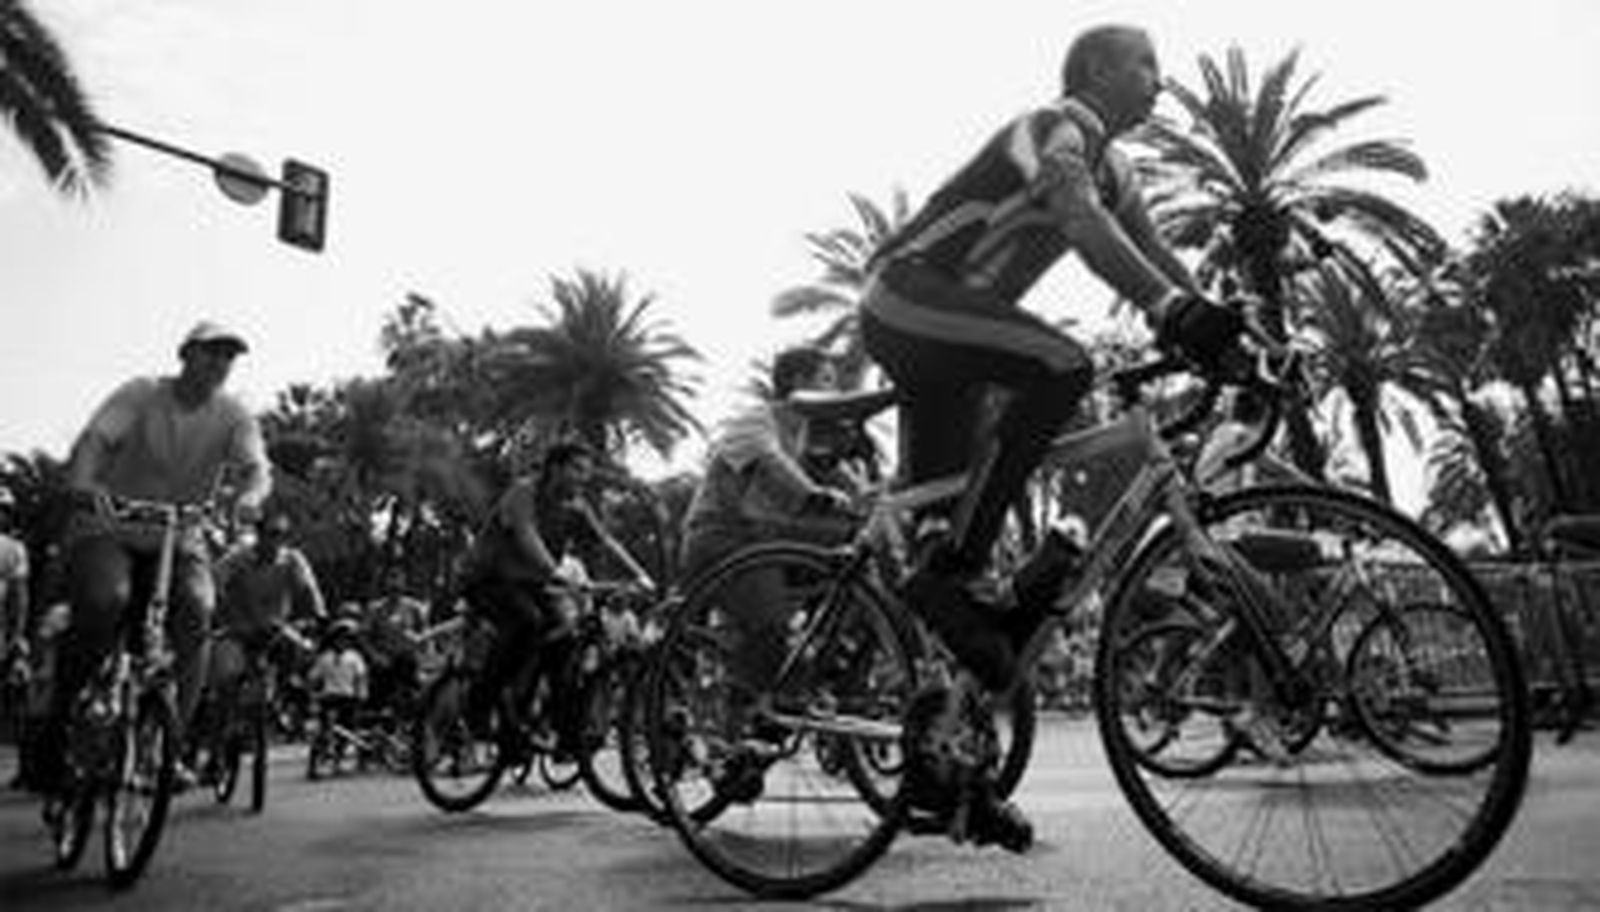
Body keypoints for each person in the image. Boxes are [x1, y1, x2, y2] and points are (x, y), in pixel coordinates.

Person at [858, 25, 1245, 846]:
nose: (1160, 81)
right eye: (1146, 63)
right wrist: (1171, 311)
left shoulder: (1118, 167)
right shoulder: (1051, 129)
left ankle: (955, 773)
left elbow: (1158, 253)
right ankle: (950, 569)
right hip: (905, 296)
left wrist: (1238, 338)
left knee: (957, 572)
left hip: (956, 349)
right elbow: (1075, 212)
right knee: (1064, 365)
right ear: (1094, 68)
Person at [38, 320, 272, 792]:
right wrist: (82, 484)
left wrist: (249, 499)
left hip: (178, 538)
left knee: (196, 611)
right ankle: (60, 716)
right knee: (106, 599)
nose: (220, 364)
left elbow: (256, 468)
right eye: (211, 352)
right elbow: (95, 441)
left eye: (229, 357)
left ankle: (167, 748)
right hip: (109, 526)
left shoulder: (233, 416)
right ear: (185, 354)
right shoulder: (142, 394)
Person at [462, 441, 654, 754]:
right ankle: (478, 707)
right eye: (578, 469)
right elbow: (526, 535)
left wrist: (640, 575)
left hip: (532, 585)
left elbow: (606, 541)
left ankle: (564, 733)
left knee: (564, 643)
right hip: (489, 579)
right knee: (527, 623)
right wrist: (556, 572)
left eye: (588, 472)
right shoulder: (524, 492)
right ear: (555, 468)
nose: (584, 478)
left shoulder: (576, 506)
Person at [678, 346, 858, 582]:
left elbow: (833, 470)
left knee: (850, 541)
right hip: (722, 537)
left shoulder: (802, 433)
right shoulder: (756, 421)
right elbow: (773, 461)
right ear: (798, 382)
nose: (835, 391)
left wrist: (863, 494)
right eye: (826, 380)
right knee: (773, 616)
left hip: (759, 535)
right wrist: (816, 494)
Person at [208, 510, 324, 730]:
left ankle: (280, 696)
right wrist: (221, 609)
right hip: (238, 630)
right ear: (259, 535)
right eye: (270, 534)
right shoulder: (237, 557)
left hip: (274, 629)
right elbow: (214, 582)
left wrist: (319, 615)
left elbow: (310, 590)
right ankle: (220, 732)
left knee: (299, 648)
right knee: (226, 678)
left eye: (280, 535)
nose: (275, 540)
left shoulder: (293, 559)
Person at [360, 568, 429, 713]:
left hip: (407, 660)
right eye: (391, 588)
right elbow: (364, 637)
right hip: (383, 660)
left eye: (397, 588)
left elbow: (425, 635)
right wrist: (375, 656)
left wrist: (421, 655)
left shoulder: (414, 608)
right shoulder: (375, 609)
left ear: (404, 586)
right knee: (378, 687)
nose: (394, 592)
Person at [307, 618, 369, 735]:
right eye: (339, 639)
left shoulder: (354, 657)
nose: (342, 642)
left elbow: (360, 676)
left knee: (348, 725)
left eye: (346, 640)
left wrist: (361, 693)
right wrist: (313, 694)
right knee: (324, 724)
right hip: (329, 696)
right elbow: (313, 677)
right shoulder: (325, 657)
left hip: (347, 696)